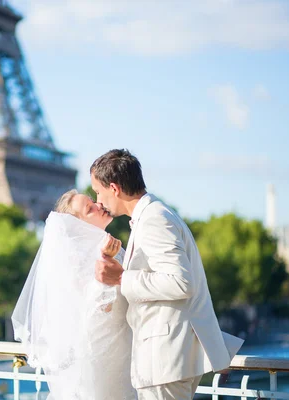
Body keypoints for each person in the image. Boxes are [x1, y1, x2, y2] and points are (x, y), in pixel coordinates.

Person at [91, 149, 244, 400]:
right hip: (166, 358)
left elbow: (181, 282)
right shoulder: (154, 215)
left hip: (164, 360)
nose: (98, 200)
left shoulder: (154, 219)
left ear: (114, 188)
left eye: (98, 191)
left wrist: (121, 278)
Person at [12, 189, 137, 400]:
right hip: (101, 361)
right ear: (78, 226)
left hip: (124, 355)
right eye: (90, 209)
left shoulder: (105, 249)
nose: (99, 205)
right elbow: (96, 312)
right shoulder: (76, 261)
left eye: (92, 202)